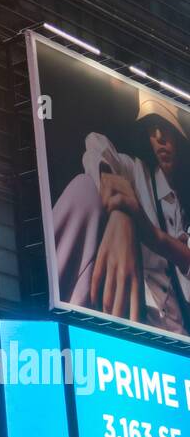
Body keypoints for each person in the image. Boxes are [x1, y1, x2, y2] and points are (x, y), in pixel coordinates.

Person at [53, 95, 190, 334]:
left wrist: (146, 230)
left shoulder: (184, 205)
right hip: (133, 318)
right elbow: (97, 147)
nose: (159, 137)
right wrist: (121, 212)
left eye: (166, 128)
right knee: (84, 190)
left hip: (179, 340)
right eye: (152, 129)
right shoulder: (137, 173)